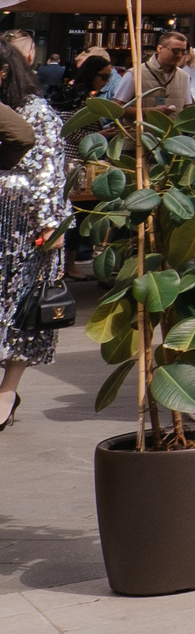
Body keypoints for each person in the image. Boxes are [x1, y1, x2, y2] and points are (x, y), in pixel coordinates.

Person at [0, 38, 70, 433]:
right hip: (6, 225)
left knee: (26, 309)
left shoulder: (35, 111)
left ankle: (7, 391)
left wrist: (48, 224)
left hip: (25, 228)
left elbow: (48, 171)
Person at [111, 29, 195, 112]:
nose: (179, 55)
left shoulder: (184, 77)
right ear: (160, 48)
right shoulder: (135, 74)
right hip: (140, 134)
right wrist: (150, 112)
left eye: (183, 52)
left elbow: (186, 108)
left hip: (172, 134)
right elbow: (117, 107)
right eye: (175, 51)